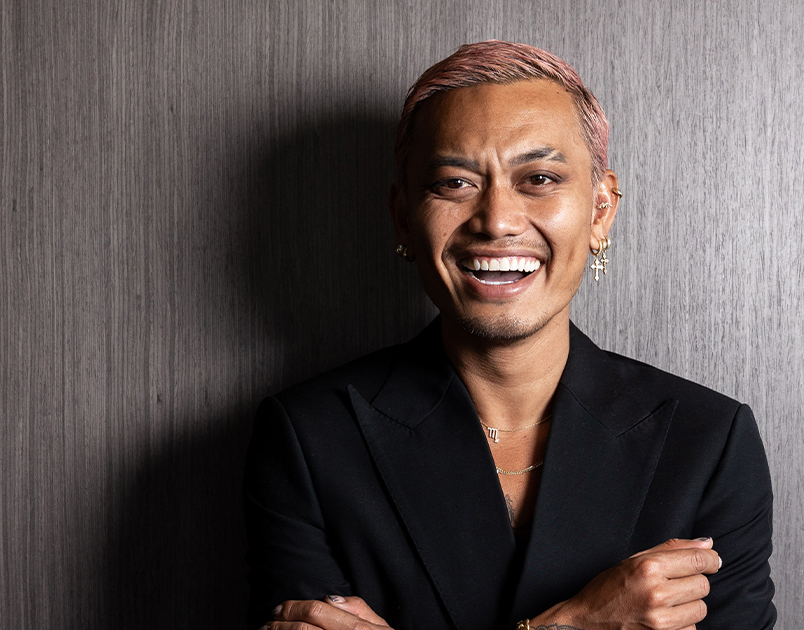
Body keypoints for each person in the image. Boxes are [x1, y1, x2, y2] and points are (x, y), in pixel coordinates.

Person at [244, 40, 776, 630]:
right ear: (403, 216)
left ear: (600, 211)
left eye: (540, 178)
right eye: (454, 183)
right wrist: (573, 625)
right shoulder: (310, 438)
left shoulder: (707, 441)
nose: (497, 220)